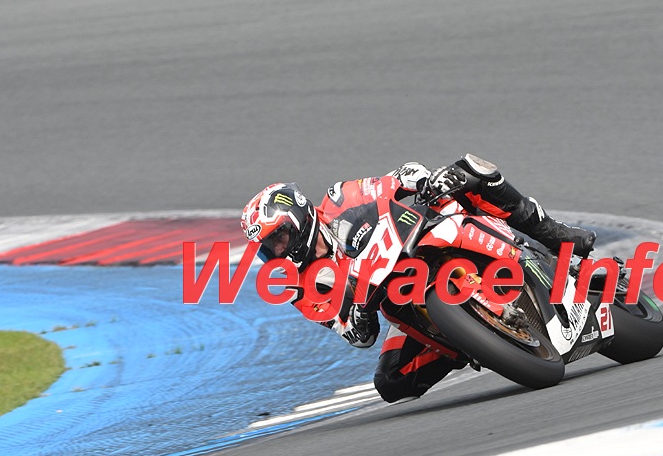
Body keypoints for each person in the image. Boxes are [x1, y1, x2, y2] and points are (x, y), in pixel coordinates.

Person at [240, 154, 597, 403]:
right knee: (391, 381)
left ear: (299, 218)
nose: (277, 250)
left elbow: (397, 178)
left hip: (426, 234)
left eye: (278, 237)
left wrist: (422, 180)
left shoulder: (340, 198)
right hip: (402, 298)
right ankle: (473, 340)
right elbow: (355, 334)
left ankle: (554, 235)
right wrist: (358, 316)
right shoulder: (302, 288)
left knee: (469, 171)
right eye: (268, 247)